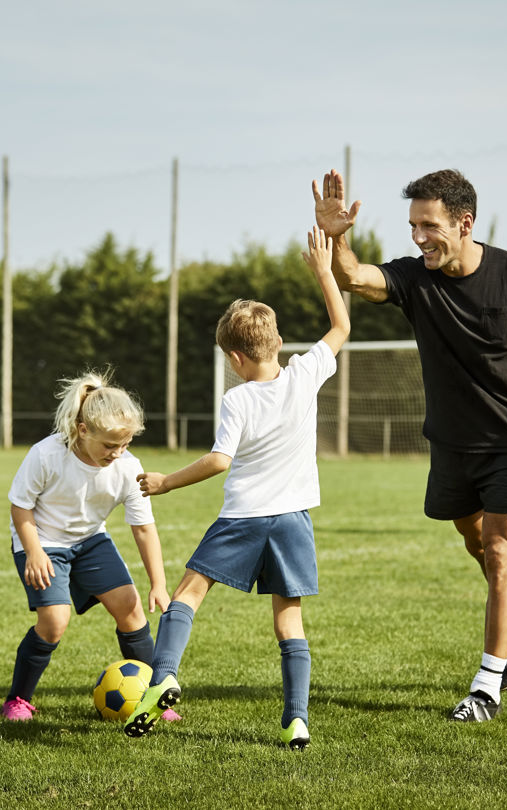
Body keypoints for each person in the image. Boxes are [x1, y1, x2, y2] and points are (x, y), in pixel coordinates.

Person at [312, 169, 507, 722]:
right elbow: (355, 278)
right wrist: (337, 238)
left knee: (502, 551)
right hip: (452, 442)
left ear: (464, 222)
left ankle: (487, 687)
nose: (418, 238)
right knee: (474, 538)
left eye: (429, 226)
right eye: (413, 226)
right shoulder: (416, 278)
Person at [124, 226, 350, 750]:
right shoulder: (304, 374)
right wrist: (323, 270)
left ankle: (164, 676)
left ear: (234, 358)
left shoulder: (237, 399)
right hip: (293, 520)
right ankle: (297, 720)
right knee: (289, 621)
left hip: (244, 517)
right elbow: (340, 324)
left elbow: (220, 460)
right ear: (277, 343)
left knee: (187, 593)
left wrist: (166, 482)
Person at [2, 370, 176, 723]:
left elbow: (144, 529)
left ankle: (153, 698)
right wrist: (34, 552)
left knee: (131, 609)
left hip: (90, 541)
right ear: (83, 430)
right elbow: (20, 506)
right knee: (54, 621)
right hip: (42, 540)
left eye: (125, 444)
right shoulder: (47, 454)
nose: (118, 453)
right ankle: (17, 700)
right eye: (110, 445)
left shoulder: (128, 467)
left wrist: (158, 583)